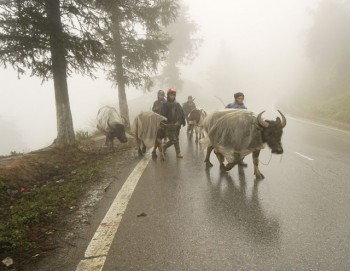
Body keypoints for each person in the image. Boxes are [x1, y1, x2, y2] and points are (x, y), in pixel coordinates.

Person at [160, 88, 186, 158]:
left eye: (173, 95)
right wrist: (165, 124)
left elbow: (181, 114)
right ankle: (175, 152)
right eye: (171, 95)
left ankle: (168, 149)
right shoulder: (164, 104)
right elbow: (162, 115)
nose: (172, 96)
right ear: (168, 95)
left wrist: (178, 122)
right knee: (174, 139)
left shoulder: (177, 104)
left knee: (176, 139)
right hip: (168, 125)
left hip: (176, 125)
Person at [226, 91, 248, 167]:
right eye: (239, 98)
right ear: (236, 98)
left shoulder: (245, 108)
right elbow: (224, 116)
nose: (241, 100)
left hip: (241, 128)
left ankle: (240, 160)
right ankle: (230, 159)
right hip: (231, 127)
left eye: (242, 98)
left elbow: (246, 118)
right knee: (230, 145)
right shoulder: (230, 105)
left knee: (243, 145)